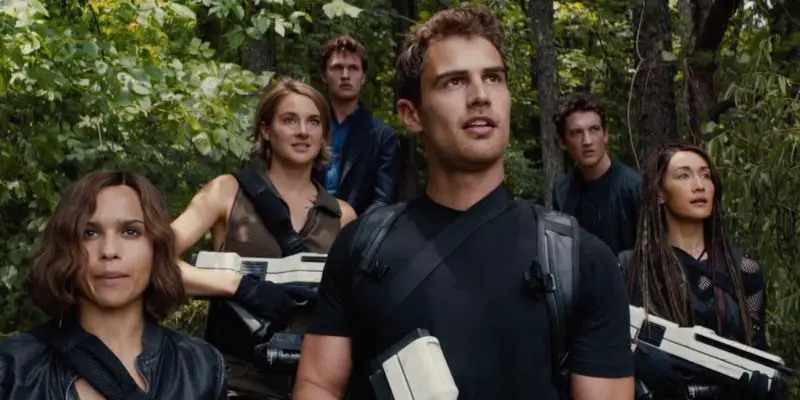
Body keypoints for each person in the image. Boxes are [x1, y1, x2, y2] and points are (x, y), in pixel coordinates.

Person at [293, 4, 635, 400]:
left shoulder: (581, 261)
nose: (480, 96)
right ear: (411, 114)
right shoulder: (361, 248)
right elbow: (318, 385)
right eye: (454, 82)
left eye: (493, 78)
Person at [170, 77, 357, 399]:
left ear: (324, 134)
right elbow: (148, 259)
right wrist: (238, 285)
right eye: (289, 120)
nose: (303, 131)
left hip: (316, 386)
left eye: (314, 122)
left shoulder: (343, 215)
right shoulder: (226, 192)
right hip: (236, 382)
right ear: (266, 130)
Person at [0, 170, 227, 399]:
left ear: (155, 247)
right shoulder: (12, 369)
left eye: (130, 232)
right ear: (67, 248)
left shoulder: (201, 368)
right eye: (89, 233)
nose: (109, 251)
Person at [618, 143, 775, 399]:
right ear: (660, 193)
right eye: (684, 175)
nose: (699, 185)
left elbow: (757, 350)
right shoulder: (632, 268)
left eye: (705, 175)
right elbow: (601, 345)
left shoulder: (743, 269)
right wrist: (636, 359)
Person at [551, 91, 642, 255]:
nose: (587, 141)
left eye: (594, 130)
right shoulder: (562, 190)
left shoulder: (635, 188)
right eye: (577, 133)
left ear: (605, 134)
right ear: (562, 142)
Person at [318, 35, 400, 215]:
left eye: (353, 68)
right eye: (337, 68)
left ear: (363, 78)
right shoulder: (309, 126)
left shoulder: (382, 136)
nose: (345, 76)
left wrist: (354, 227)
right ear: (324, 75)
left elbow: (382, 202)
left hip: (359, 227)